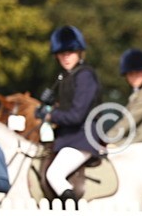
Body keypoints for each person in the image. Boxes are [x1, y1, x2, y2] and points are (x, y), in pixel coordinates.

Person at [37, 26, 105, 202]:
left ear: (79, 52)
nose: (66, 57)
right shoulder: (65, 76)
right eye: (61, 53)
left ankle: (73, 215)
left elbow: (76, 115)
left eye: (70, 52)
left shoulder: (85, 76)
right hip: (69, 136)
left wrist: (50, 115)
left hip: (83, 136)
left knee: (55, 174)